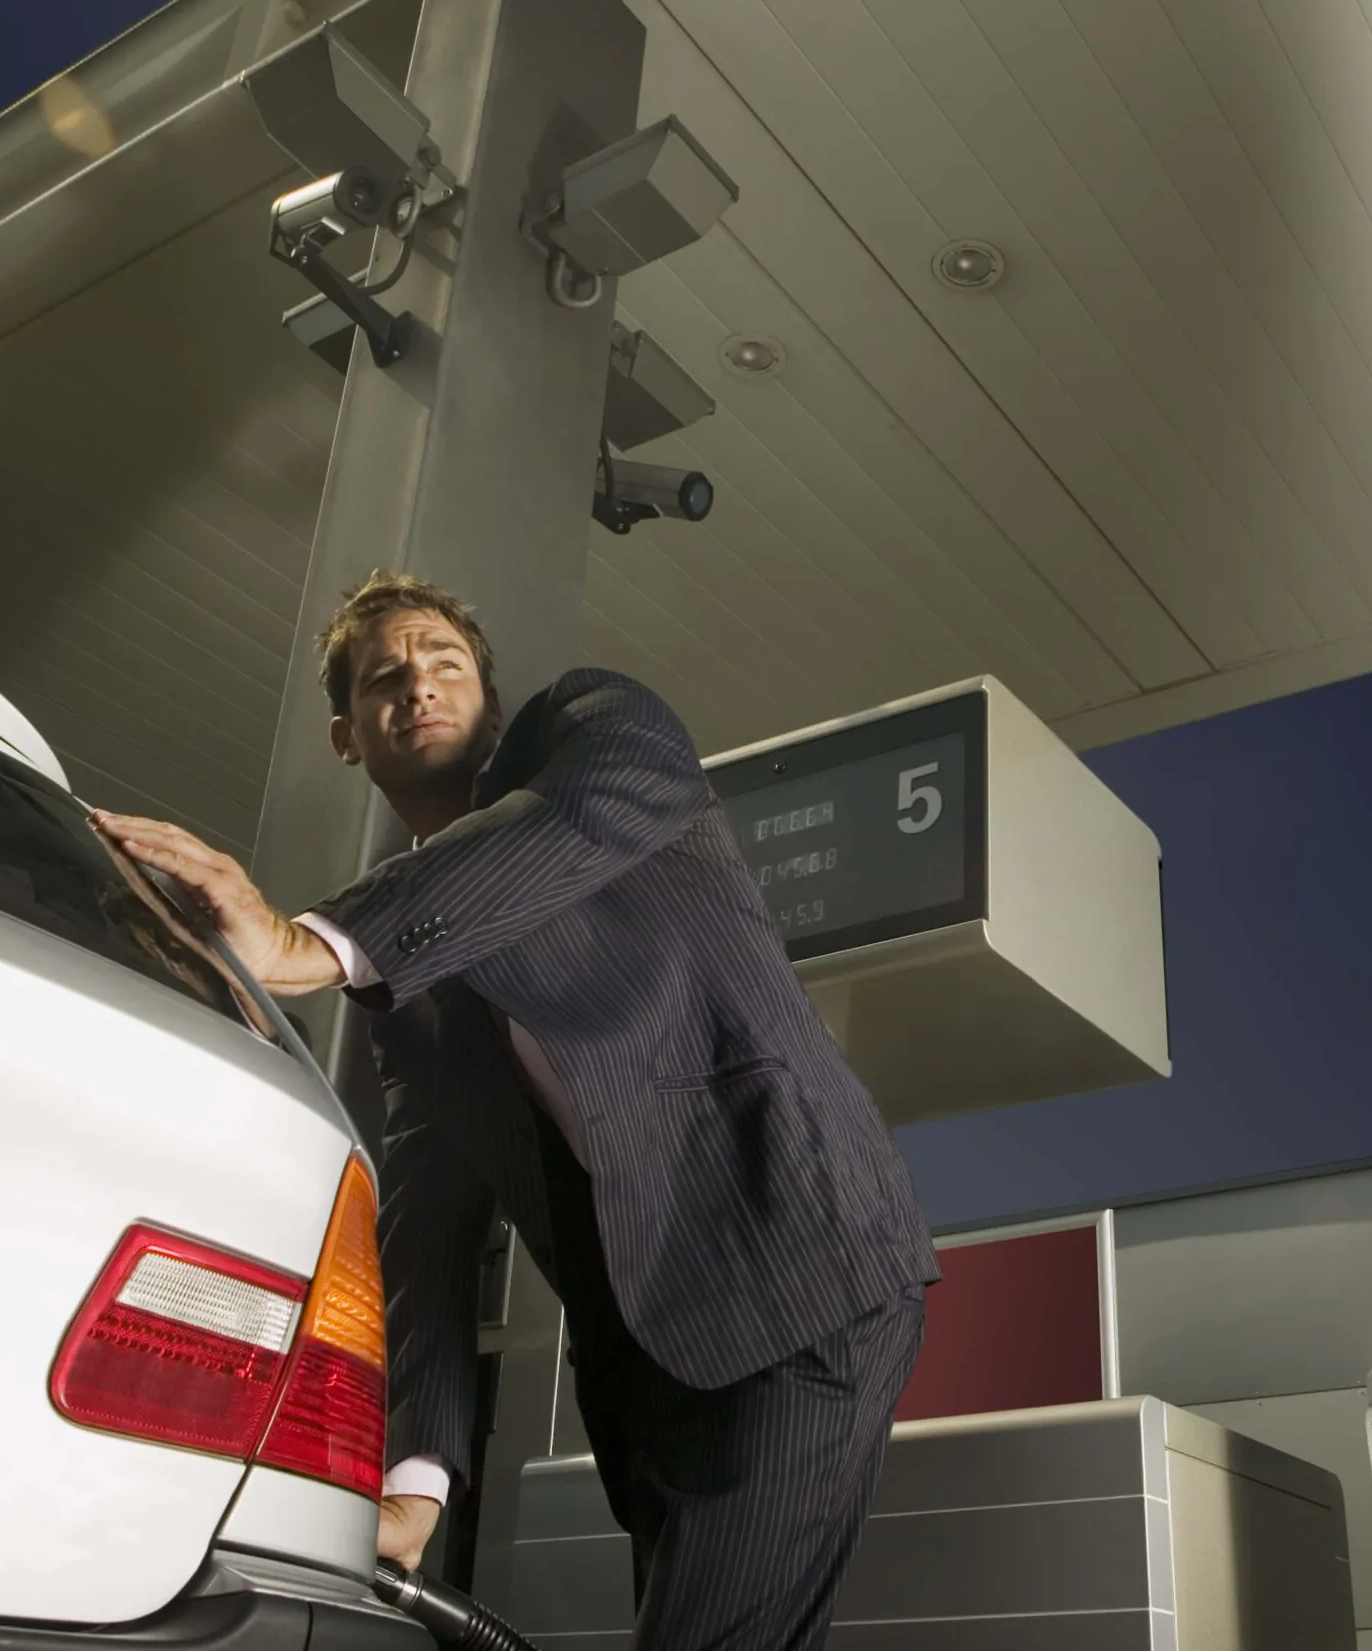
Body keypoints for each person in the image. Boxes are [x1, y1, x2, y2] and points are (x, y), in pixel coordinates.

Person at [95, 570, 937, 1651]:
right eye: (384, 677)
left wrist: (314, 943)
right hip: (646, 1355)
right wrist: (416, 1483)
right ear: (348, 735)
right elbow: (425, 1238)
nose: (419, 685)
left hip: (798, 1265)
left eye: (444, 661)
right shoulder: (412, 1003)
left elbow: (562, 829)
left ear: (491, 697)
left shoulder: (597, 735)